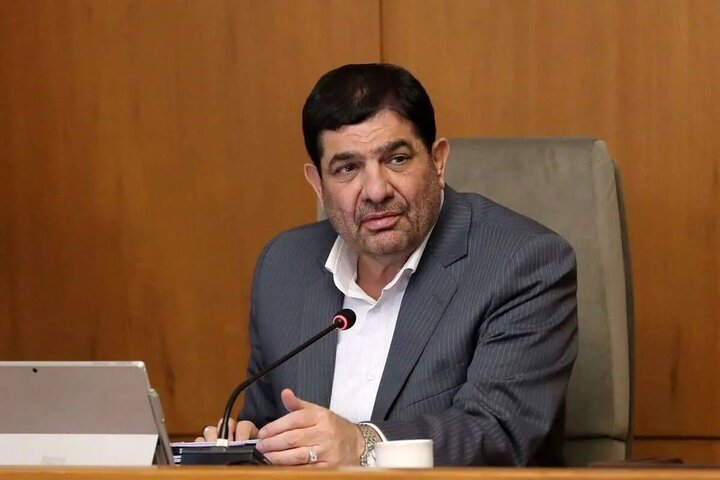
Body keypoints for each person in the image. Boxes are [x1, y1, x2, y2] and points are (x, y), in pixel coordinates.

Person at [199, 63, 578, 467]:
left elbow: (497, 430)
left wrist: (362, 444)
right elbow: (266, 420)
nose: (376, 191)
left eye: (396, 159)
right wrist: (250, 443)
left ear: (438, 161)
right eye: (347, 168)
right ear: (318, 184)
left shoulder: (522, 262)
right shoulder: (284, 266)